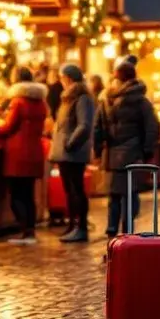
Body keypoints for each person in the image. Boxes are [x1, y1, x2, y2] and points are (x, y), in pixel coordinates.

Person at [94, 55, 159, 237]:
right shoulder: (141, 101)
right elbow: (151, 127)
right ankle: (127, 228)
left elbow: (97, 128)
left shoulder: (106, 99)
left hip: (111, 154)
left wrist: (98, 150)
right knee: (130, 193)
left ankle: (111, 228)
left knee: (114, 194)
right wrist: (147, 151)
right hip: (133, 153)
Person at [0, 67, 49, 244]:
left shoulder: (18, 102)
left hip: (18, 153)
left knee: (15, 195)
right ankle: (31, 232)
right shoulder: (41, 102)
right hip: (34, 151)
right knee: (28, 194)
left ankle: (25, 231)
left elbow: (8, 127)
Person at [49, 63, 96, 243]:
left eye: (62, 78)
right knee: (69, 190)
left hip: (73, 152)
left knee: (76, 189)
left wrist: (70, 143)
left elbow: (84, 125)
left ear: (68, 78)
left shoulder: (82, 98)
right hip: (65, 152)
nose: (61, 81)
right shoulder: (68, 98)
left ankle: (81, 227)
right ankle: (72, 225)